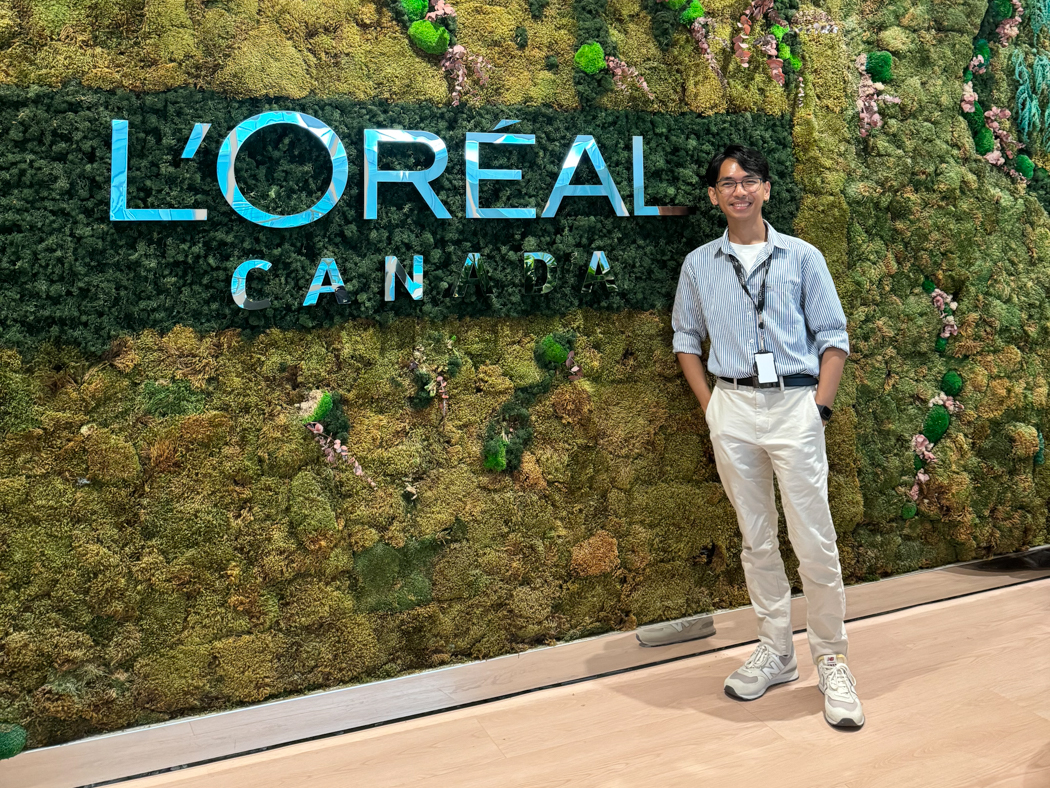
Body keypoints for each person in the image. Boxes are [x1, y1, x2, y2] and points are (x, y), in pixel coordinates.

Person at [670, 144, 863, 728]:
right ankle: (776, 651)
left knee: (815, 539)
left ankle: (830, 657)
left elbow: (834, 337)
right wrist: (712, 409)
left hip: (794, 408)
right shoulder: (699, 264)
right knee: (756, 538)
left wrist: (819, 411)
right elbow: (685, 339)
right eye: (727, 183)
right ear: (713, 196)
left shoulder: (802, 258)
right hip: (733, 407)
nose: (738, 191)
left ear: (766, 189)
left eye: (749, 180)